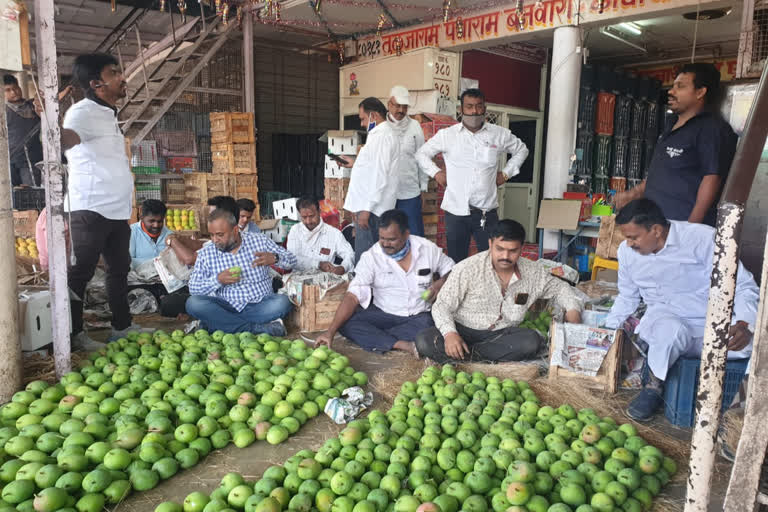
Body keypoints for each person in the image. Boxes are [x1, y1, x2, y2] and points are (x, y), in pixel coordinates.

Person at [604, 199, 757, 421]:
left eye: (633, 237)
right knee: (669, 330)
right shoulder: (627, 253)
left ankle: (742, 412)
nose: (629, 244)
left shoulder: (702, 239)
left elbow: (743, 286)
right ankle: (652, 388)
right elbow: (627, 296)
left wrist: (744, 324)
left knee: (761, 345)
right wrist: (608, 333)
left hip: (714, 324)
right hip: (666, 322)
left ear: (656, 230)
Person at [416, 219, 582, 364]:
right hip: (463, 330)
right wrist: (450, 334)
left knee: (531, 341)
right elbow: (442, 305)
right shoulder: (467, 269)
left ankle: (468, 358)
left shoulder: (533, 272)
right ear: (490, 244)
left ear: (522, 248)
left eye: (512, 251)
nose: (505, 256)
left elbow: (561, 289)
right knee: (424, 341)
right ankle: (483, 358)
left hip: (500, 335)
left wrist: (573, 310)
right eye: (500, 249)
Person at [63, 53, 139, 349]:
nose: (122, 77)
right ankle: (73, 335)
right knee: (80, 272)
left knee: (119, 268)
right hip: (90, 208)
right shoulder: (82, 112)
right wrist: (52, 132)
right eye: (114, 72)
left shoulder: (107, 112)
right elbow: (67, 138)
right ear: (96, 83)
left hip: (115, 210)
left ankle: (122, 326)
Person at [613, 63, 737, 227]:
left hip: (681, 229)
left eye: (680, 86)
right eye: (673, 86)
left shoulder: (712, 129)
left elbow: (712, 179)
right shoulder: (670, 124)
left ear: (700, 92)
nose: (671, 91)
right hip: (656, 227)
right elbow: (660, 171)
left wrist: (691, 229)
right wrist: (633, 194)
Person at [315, 209, 454, 354]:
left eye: (392, 239)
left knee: (430, 325)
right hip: (384, 314)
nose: (386, 244)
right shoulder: (371, 257)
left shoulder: (426, 249)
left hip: (419, 316)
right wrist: (330, 332)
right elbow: (353, 295)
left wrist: (440, 283)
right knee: (346, 324)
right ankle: (402, 344)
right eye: (382, 238)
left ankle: (382, 339)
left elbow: (453, 270)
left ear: (406, 234)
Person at [416, 88, 529, 263]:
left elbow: (522, 150)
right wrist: (436, 173)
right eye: (469, 107)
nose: (474, 111)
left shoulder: (498, 134)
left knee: (491, 261)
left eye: (478, 106)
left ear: (485, 108)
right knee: (456, 262)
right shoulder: (447, 135)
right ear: (461, 109)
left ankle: (488, 291)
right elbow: (421, 154)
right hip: (456, 211)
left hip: (486, 212)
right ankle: (460, 291)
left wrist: (506, 174)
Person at [186, 208, 297, 335]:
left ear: (235, 230)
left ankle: (217, 325)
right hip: (226, 307)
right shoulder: (207, 253)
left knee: (283, 302)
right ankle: (257, 329)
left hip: (259, 305)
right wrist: (217, 280)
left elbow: (292, 260)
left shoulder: (259, 241)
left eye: (220, 235)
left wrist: (275, 258)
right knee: (193, 303)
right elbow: (193, 288)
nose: (215, 240)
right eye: (211, 235)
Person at [341, 97, 400, 262]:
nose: (361, 124)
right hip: (372, 206)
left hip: (373, 209)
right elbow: (373, 167)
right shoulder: (379, 135)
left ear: (373, 116)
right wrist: (355, 163)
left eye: (363, 119)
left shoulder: (382, 136)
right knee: (373, 258)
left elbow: (380, 175)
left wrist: (366, 209)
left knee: (367, 260)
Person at [128, 199, 202, 318]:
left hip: (165, 284)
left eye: (159, 221)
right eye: (151, 221)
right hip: (139, 283)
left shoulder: (170, 235)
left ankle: (164, 303)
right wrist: (154, 264)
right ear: (141, 216)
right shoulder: (131, 233)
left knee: (174, 300)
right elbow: (128, 262)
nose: (156, 225)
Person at [3, 74, 71, 186]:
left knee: (32, 192)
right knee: (13, 194)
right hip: (11, 160)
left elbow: (52, 101)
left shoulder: (33, 105)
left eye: (15, 88)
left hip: (31, 159)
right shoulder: (3, 112)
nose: (13, 92)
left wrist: (66, 91)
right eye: (8, 90)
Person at [387, 85, 427, 236]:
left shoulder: (415, 126)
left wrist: (423, 187)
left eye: (404, 107)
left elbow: (422, 158)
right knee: (390, 236)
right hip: (386, 194)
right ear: (389, 104)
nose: (401, 110)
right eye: (397, 105)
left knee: (414, 236)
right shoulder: (381, 127)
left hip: (410, 194)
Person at [286, 196, 355, 275]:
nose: (308, 221)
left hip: (325, 282)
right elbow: (292, 259)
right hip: (298, 280)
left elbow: (349, 254)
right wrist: (318, 264)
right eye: (304, 217)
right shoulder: (295, 231)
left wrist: (343, 267)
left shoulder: (333, 233)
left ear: (319, 212)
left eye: (312, 216)